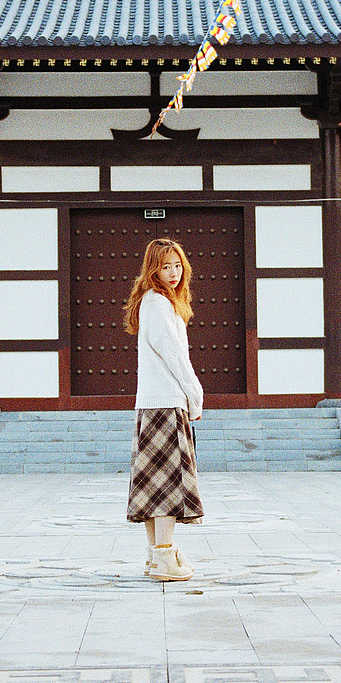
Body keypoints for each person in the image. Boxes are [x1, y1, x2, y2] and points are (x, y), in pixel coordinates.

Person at [122, 237, 204, 581]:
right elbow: (174, 356)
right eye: (165, 266)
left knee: (153, 484)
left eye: (177, 265)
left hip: (153, 404)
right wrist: (195, 393)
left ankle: (157, 557)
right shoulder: (157, 304)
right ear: (152, 269)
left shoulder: (156, 302)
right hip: (166, 403)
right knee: (167, 483)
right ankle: (165, 560)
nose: (173, 272)